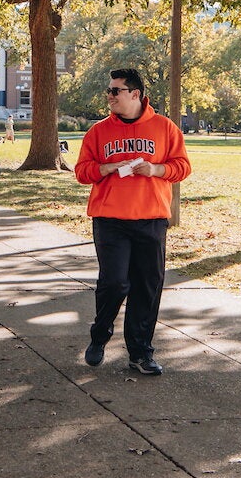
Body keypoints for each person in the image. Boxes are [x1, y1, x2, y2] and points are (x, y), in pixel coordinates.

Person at [75, 68, 192, 377]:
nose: (110, 95)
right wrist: (106, 167)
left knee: (147, 286)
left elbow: (182, 166)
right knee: (114, 282)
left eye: (116, 91)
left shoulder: (164, 128)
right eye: (109, 90)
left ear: (135, 94)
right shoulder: (99, 131)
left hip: (151, 218)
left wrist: (156, 170)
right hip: (110, 218)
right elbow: (81, 172)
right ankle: (100, 335)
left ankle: (140, 352)